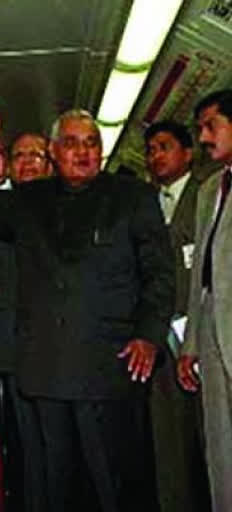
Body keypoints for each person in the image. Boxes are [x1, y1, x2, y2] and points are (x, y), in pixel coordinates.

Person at [0, 109, 174, 512]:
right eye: (71, 143)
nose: (83, 152)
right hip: (46, 371)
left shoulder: (133, 197)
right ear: (53, 151)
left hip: (110, 368)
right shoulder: (28, 200)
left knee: (115, 486)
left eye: (91, 143)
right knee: (56, 486)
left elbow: (159, 274)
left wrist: (149, 335)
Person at [143, 120, 211, 512]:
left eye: (164, 147)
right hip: (160, 339)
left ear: (188, 153)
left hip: (204, 333)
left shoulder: (209, 196)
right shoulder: (145, 205)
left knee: (212, 433)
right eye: (150, 149)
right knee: (168, 435)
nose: (155, 156)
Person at [0, 130, 54, 512]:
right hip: (15, 348)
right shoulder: (4, 208)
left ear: (51, 163)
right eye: (19, 155)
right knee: (26, 445)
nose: (27, 162)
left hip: (63, 349)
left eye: (36, 154)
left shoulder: (70, 204)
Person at [178, 89, 232, 511]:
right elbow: (201, 271)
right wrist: (191, 343)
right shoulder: (210, 188)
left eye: (211, 126)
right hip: (214, 327)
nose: (204, 138)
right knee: (220, 446)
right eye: (200, 129)